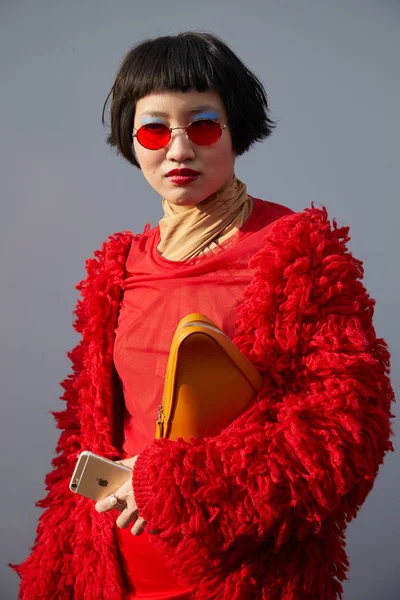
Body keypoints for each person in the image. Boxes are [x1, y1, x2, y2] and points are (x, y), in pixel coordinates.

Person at [12, 32, 394, 600]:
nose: (179, 149)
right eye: (154, 129)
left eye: (204, 125)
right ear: (131, 141)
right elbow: (83, 440)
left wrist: (174, 485)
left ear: (235, 129)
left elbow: (343, 439)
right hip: (110, 577)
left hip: (246, 580)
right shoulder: (115, 267)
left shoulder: (297, 253)